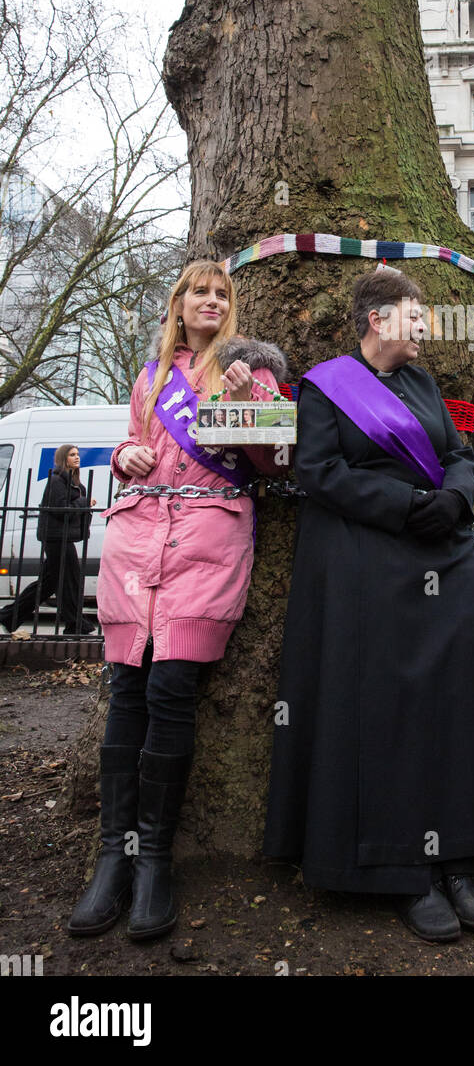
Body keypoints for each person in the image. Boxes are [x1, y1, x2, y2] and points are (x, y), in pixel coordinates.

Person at [264, 266, 474, 942]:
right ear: (378, 318)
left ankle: (458, 858)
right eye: (415, 313)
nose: (425, 325)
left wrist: (455, 497)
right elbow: (319, 473)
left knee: (454, 710)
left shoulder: (424, 384)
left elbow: (460, 453)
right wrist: (407, 505)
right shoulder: (326, 388)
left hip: (445, 558)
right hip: (369, 566)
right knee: (389, 717)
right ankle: (405, 870)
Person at [68, 260, 286, 941]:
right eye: (200, 291)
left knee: (170, 690)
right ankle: (113, 859)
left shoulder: (251, 370)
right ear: (179, 303)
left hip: (207, 543)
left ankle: (154, 861)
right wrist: (123, 456)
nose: (212, 300)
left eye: (223, 293)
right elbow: (139, 442)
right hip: (137, 544)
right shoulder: (150, 377)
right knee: (125, 689)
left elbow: (278, 460)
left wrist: (251, 405)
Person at [0, 445, 96, 635]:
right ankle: (75, 624)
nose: (77, 458)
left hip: (64, 537)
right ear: (63, 458)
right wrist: (85, 502)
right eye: (72, 455)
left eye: (77, 454)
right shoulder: (56, 481)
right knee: (70, 579)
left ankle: (9, 616)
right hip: (55, 538)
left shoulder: (74, 483)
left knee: (49, 583)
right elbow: (60, 509)